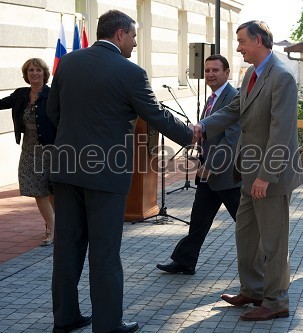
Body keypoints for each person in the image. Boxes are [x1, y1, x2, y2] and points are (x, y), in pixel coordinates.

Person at [47, 10, 194, 333]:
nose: (135, 42)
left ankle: (65, 318)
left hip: (66, 170)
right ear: (119, 35)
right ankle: (108, 325)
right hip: (106, 175)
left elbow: (53, 111)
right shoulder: (131, 73)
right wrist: (189, 134)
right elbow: (155, 115)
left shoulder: (68, 63)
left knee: (66, 248)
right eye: (133, 35)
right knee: (105, 254)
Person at [193, 20, 303, 321]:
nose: (238, 47)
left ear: (257, 41)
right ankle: (253, 291)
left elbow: (281, 132)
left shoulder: (281, 77)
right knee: (246, 235)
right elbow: (232, 110)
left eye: (241, 41)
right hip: (247, 173)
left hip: (271, 176)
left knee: (273, 241)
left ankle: (276, 301)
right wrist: (203, 126)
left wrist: (266, 176)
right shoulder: (252, 74)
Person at [156, 54, 241, 275]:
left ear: (227, 73)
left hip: (225, 174)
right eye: (207, 71)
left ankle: (268, 263)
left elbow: (231, 139)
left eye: (215, 70)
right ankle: (184, 261)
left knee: (244, 223)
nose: (210, 74)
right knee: (198, 221)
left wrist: (211, 164)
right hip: (207, 173)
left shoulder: (234, 98)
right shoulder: (212, 98)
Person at [0, 58, 56, 246]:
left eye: (38, 70)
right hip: (29, 149)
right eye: (31, 70)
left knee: (50, 190)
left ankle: (53, 228)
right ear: (26, 74)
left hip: (50, 149)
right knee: (38, 190)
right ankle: (53, 228)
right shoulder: (21, 94)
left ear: (44, 73)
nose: (34, 73)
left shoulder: (52, 94)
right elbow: (2, 103)